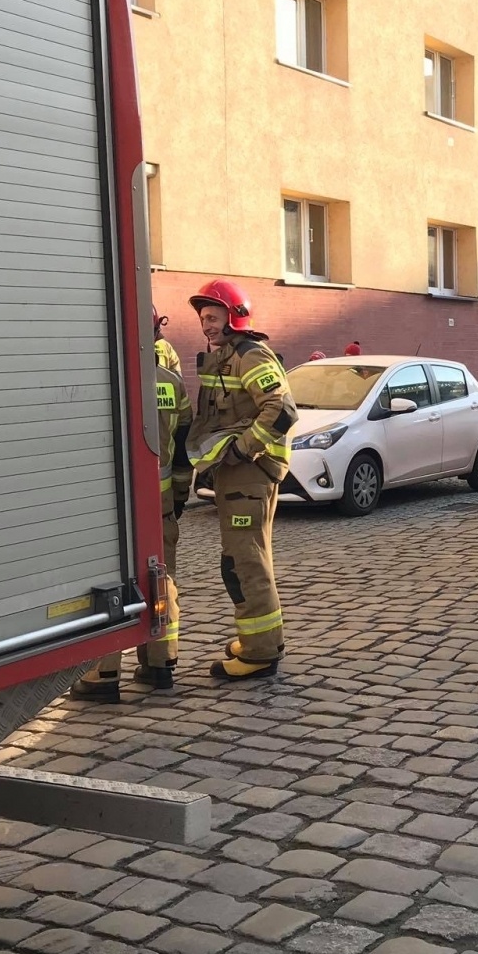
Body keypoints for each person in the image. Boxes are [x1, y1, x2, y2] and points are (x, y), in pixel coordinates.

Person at [72, 308, 191, 700]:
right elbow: (183, 447)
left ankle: (103, 673)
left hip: (115, 510)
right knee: (162, 578)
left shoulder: (110, 380)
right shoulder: (173, 383)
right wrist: (178, 496)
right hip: (160, 505)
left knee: (107, 584)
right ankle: (160, 663)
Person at [186, 280, 299, 680]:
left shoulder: (251, 355)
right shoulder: (227, 357)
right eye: (202, 318)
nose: (206, 325)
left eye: (213, 317)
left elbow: (282, 410)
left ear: (234, 316)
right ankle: (262, 640)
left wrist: (242, 449)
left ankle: (259, 653)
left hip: (249, 473)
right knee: (245, 559)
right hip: (238, 476)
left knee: (244, 562)